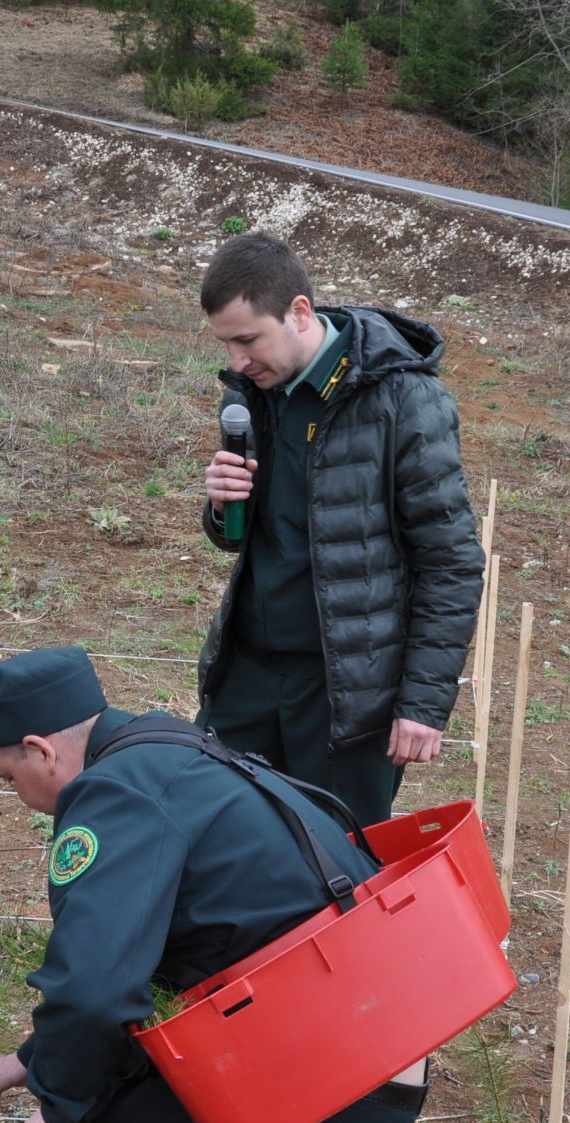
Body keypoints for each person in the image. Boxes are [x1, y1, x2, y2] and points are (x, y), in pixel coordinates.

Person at [0, 646, 428, 1123]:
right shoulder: (170, 750)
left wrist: (56, 1116)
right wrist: (28, 1063)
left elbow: (97, 990)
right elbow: (133, 975)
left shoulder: (114, 797)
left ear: (42, 750)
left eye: (8, 777)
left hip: (334, 1084)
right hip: (360, 1042)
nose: (19, 797)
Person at [198, 233, 484, 826]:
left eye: (248, 340)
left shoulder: (405, 400)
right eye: (226, 344)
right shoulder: (254, 392)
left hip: (348, 698)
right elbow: (241, 537)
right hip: (246, 678)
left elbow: (450, 561)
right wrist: (223, 505)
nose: (237, 361)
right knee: (225, 848)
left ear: (300, 312)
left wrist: (423, 704)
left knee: (335, 867)